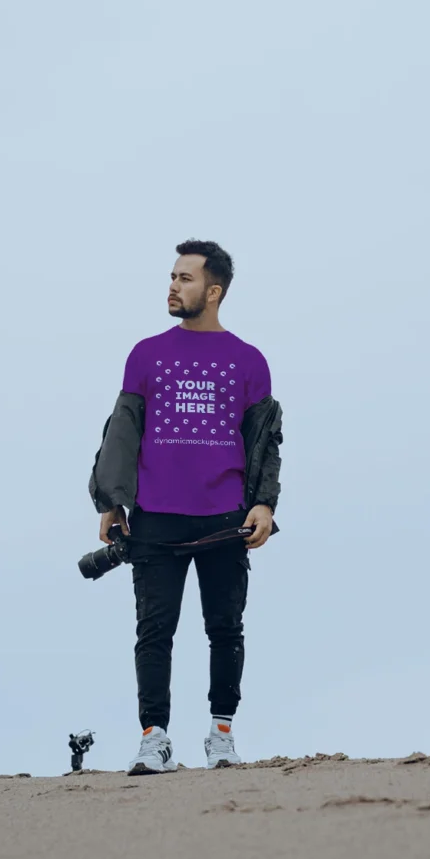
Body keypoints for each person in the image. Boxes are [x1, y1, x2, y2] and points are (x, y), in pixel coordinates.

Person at [89, 240, 283, 775]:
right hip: (154, 517)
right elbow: (122, 433)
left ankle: (222, 737)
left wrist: (264, 503)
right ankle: (155, 739)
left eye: (186, 278)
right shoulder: (146, 354)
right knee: (154, 631)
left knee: (225, 628)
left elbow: (265, 441)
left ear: (213, 291)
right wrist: (112, 503)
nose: (173, 285)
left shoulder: (248, 361)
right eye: (172, 276)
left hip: (225, 519)